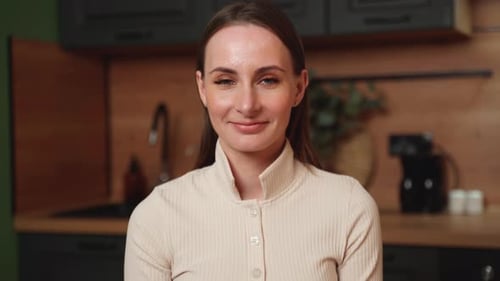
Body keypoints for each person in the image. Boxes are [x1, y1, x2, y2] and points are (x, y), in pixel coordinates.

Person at [124, 1, 382, 280]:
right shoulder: (155, 217)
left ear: (298, 87)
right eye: (225, 81)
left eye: (268, 80)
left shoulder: (349, 207)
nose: (247, 105)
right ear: (202, 89)